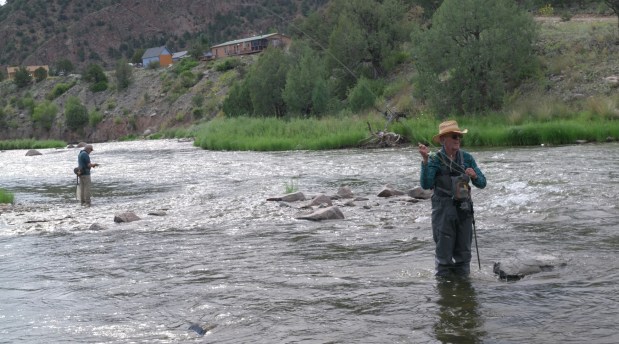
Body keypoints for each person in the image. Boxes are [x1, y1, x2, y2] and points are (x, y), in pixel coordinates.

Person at [418, 120, 486, 277]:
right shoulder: (434, 158)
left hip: (464, 211)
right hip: (442, 211)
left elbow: (482, 183)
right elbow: (426, 184)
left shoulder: (467, 158)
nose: (458, 139)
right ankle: (446, 294)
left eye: (459, 136)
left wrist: (475, 176)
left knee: (464, 255)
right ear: (443, 140)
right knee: (444, 257)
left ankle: (464, 291)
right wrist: (425, 161)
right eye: (454, 136)